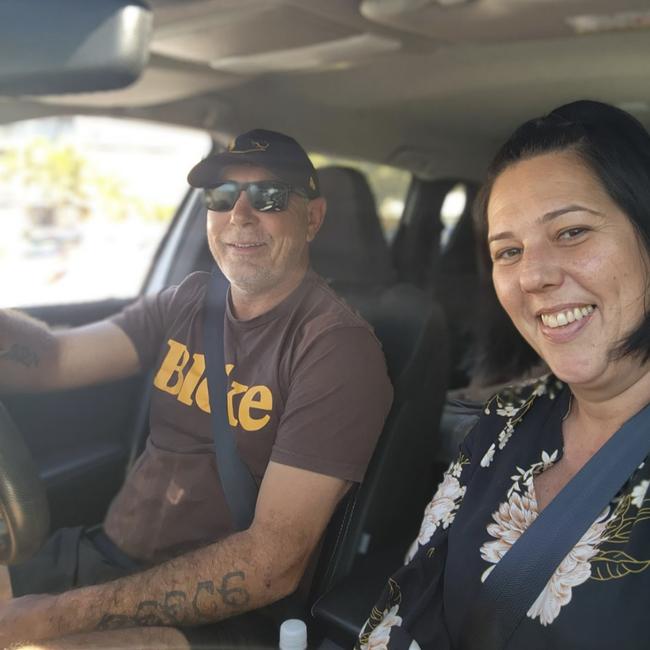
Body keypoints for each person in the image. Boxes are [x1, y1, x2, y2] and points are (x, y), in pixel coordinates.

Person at [0, 128, 393, 649]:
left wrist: (52, 620)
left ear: (312, 218)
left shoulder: (335, 348)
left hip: (210, 609)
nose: (241, 215)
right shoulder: (187, 300)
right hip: (99, 557)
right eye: (222, 197)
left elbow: (270, 563)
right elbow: (51, 359)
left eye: (270, 197)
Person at [358, 100, 650, 650]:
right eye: (508, 251)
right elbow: (408, 603)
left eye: (571, 233)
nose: (533, 276)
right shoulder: (503, 421)